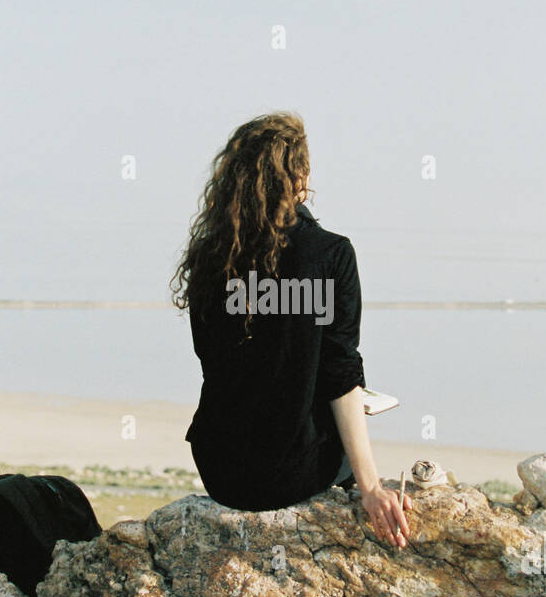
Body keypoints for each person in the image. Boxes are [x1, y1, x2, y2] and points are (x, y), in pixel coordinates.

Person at [171, 112, 411, 548]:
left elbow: (211, 356)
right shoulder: (330, 254)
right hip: (290, 473)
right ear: (301, 178)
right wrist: (371, 487)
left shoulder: (212, 256)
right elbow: (338, 372)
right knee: (343, 401)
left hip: (220, 469)